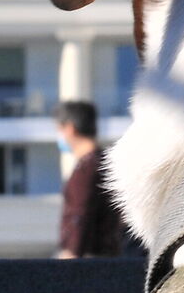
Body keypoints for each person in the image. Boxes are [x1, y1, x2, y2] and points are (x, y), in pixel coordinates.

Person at [55, 99, 136, 258]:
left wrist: (71, 253)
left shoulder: (86, 169)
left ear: (69, 129)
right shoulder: (106, 162)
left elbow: (80, 214)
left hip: (89, 260)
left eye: (59, 130)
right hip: (110, 256)